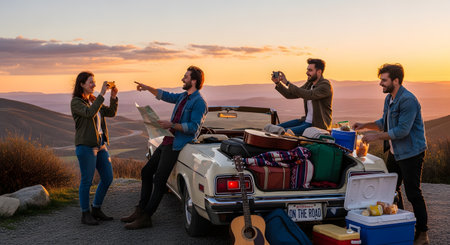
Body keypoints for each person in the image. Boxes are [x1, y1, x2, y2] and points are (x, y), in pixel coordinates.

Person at [121, 66, 208, 229]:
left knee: (160, 180)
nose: (183, 79)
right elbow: (166, 95)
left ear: (194, 81)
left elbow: (194, 127)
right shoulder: (183, 96)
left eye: (186, 77)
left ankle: (146, 217)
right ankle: (140, 210)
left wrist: (172, 124)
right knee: (146, 172)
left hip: (178, 144)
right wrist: (147, 88)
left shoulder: (199, 102)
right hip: (168, 140)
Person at [353, 64, 429, 245]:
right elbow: (383, 122)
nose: (381, 83)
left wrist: (375, 137)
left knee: (413, 193)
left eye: (384, 80)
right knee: (390, 190)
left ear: (396, 80)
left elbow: (402, 131)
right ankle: (398, 224)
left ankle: (423, 234)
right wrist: (364, 125)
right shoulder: (389, 99)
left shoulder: (408, 100)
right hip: (396, 152)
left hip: (411, 153)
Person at [70, 71, 118, 225]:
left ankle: (96, 208)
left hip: (100, 144)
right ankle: (85, 214)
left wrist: (113, 96)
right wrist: (102, 93)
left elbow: (110, 112)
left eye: (94, 82)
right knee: (87, 181)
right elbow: (90, 113)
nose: (94, 85)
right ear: (82, 84)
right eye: (91, 82)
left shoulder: (92, 100)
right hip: (86, 146)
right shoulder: (76, 103)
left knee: (108, 177)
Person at [272, 58, 333, 136]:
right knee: (275, 128)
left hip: (316, 126)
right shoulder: (309, 84)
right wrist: (278, 83)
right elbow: (291, 94)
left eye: (310, 70)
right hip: (305, 121)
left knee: (283, 132)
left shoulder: (325, 85)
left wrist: (287, 83)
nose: (307, 73)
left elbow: (309, 94)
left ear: (319, 72)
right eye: (307, 70)